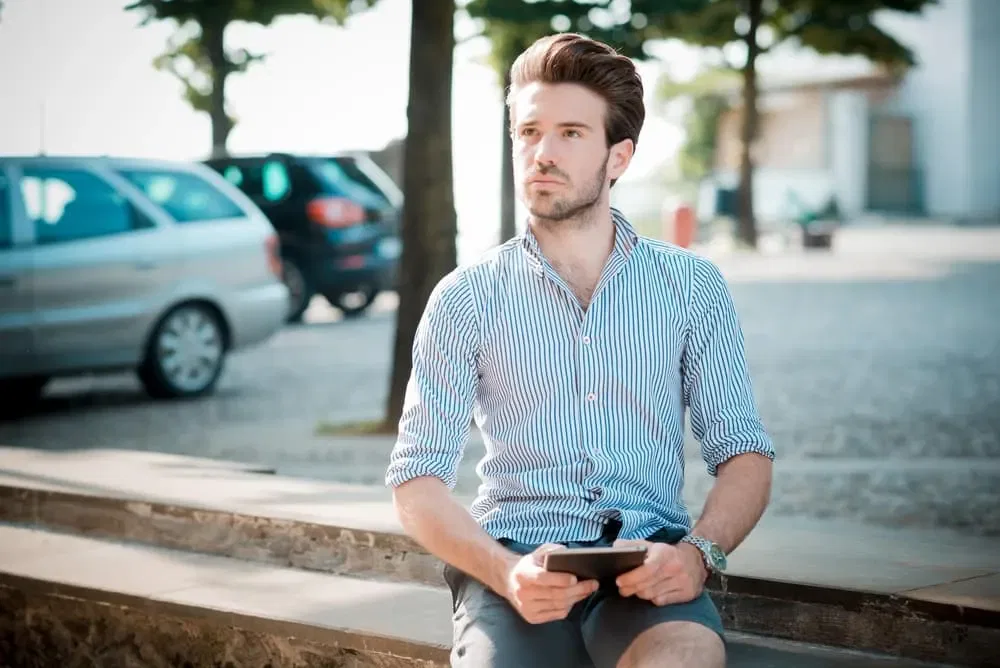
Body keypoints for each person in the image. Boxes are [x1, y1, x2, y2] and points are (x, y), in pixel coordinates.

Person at [385, 32, 775, 668]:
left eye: (570, 133)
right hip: (514, 566)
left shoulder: (690, 287)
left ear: (618, 158)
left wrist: (698, 557)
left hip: (649, 566)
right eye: (529, 131)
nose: (542, 152)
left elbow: (745, 456)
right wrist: (506, 571)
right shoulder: (464, 297)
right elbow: (415, 481)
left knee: (684, 659)